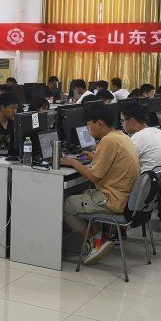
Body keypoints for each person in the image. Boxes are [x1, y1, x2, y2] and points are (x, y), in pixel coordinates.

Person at [61, 105, 140, 265]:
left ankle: (97, 242)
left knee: (68, 204)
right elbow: (109, 162)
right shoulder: (121, 136)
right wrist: (93, 157)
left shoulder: (108, 141)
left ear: (99, 123)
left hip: (114, 200)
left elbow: (93, 176)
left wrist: (73, 162)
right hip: (125, 196)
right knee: (86, 194)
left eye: (89, 124)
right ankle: (98, 237)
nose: (88, 129)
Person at [121, 104, 161, 173]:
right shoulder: (158, 131)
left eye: (122, 120)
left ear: (132, 121)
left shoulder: (138, 137)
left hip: (147, 178)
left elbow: (123, 163)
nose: (121, 124)